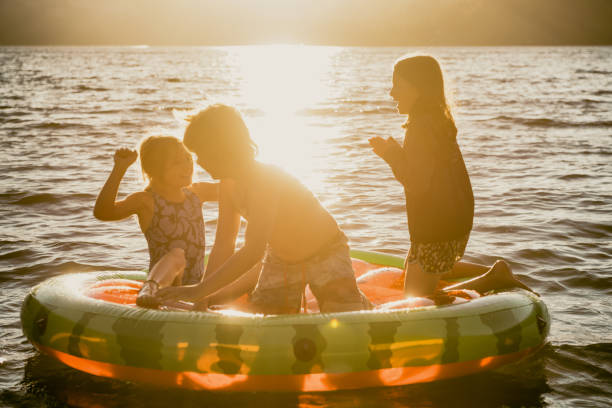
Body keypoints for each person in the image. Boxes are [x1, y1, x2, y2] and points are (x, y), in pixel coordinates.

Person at [156, 104, 371, 314]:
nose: (198, 162)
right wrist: (202, 296)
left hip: (326, 251)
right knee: (266, 318)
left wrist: (198, 290)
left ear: (222, 149)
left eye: (201, 153)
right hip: (282, 260)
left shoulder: (264, 180)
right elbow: (224, 242)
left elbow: (253, 249)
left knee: (342, 313)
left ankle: (358, 302)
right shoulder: (228, 184)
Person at [369, 55, 534, 297]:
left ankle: (493, 279)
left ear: (418, 88)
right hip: (452, 221)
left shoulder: (421, 128)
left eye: (398, 86)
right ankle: (492, 271)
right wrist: (396, 152)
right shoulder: (436, 120)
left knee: (415, 300)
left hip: (436, 226)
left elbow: (417, 183)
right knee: (414, 269)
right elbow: (428, 171)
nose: (392, 93)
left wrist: (390, 154)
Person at [93, 136, 218, 308]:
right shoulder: (146, 201)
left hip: (195, 289)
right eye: (177, 162)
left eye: (188, 159)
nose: (187, 166)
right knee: (177, 254)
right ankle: (149, 289)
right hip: (165, 288)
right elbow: (103, 212)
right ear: (154, 169)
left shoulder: (197, 192)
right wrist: (119, 169)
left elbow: (235, 189)